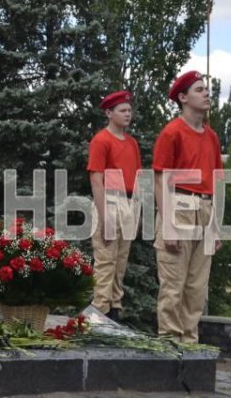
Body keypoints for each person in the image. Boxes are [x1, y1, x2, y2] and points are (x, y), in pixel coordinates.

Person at [152, 70, 224, 342]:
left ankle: (190, 345)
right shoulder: (172, 133)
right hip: (178, 206)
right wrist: (168, 225)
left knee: (197, 287)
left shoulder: (212, 137)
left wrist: (215, 227)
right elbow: (161, 181)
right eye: (199, 89)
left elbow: (214, 183)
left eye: (206, 89)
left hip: (205, 211)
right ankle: (170, 342)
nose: (206, 93)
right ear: (183, 97)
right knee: (173, 286)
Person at [87, 89, 143, 323]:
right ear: (109, 113)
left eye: (129, 110)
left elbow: (138, 177)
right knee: (106, 262)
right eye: (122, 110)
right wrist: (104, 218)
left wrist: (137, 213)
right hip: (108, 201)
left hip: (128, 201)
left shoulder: (132, 143)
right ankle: (99, 313)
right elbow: (96, 180)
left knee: (120, 264)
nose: (127, 114)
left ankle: (115, 311)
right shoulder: (101, 140)